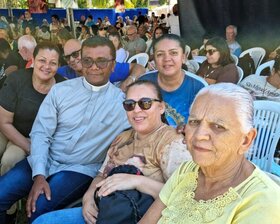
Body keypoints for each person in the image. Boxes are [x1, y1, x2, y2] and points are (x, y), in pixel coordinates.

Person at [0, 36, 130, 223]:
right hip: (45, 157)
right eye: (87, 60)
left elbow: (153, 125)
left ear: (113, 65)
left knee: (38, 209)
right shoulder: (61, 90)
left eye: (101, 61)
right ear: (81, 63)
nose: (94, 66)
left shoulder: (123, 105)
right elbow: (41, 132)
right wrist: (39, 174)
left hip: (80, 168)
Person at [32, 80, 192, 224]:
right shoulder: (122, 138)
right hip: (106, 208)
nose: (136, 110)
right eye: (130, 104)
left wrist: (137, 182)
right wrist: (89, 196)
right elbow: (101, 175)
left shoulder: (172, 142)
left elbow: (185, 197)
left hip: (144, 216)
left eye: (145, 103)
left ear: (161, 107)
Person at [139, 83, 280, 224]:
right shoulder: (186, 170)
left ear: (245, 140)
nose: (199, 135)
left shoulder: (263, 202)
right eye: (194, 122)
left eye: (218, 126)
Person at [139, 34, 205, 127]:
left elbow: (205, 124)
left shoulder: (199, 86)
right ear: (154, 59)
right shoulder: (143, 83)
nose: (167, 59)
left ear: (183, 57)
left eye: (173, 53)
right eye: (160, 54)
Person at [57, 39, 146, 87]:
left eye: (75, 54)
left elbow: (139, 68)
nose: (71, 59)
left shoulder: (104, 68)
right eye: (67, 57)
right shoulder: (65, 71)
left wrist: (128, 82)